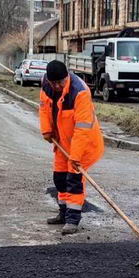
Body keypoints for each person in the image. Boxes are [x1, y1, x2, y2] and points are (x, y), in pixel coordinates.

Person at [39, 60, 105, 234]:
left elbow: (82, 129)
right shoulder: (46, 85)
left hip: (83, 145)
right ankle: (63, 213)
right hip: (62, 142)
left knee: (73, 180)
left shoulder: (80, 92)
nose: (57, 86)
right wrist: (46, 130)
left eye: (60, 82)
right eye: (54, 83)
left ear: (66, 77)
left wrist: (75, 156)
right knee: (59, 178)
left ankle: (72, 220)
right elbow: (44, 108)